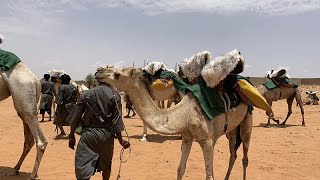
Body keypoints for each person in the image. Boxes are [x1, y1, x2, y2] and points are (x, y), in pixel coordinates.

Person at [67, 69, 130, 180]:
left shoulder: (86, 94)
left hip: (88, 135)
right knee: (106, 164)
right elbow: (116, 121)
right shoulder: (115, 96)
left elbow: (76, 116)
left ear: (98, 80)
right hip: (107, 136)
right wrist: (121, 140)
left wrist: (71, 135)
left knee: (82, 164)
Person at [53, 74, 77, 138]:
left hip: (64, 107)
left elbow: (59, 99)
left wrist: (58, 105)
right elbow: (77, 97)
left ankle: (62, 132)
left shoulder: (62, 87)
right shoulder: (74, 86)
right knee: (72, 120)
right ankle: (71, 133)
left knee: (57, 119)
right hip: (73, 106)